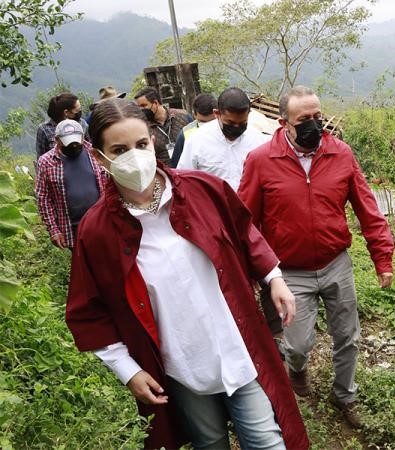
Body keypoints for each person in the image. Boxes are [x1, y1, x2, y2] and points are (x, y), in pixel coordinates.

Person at [65, 98, 309, 450]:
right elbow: (89, 310)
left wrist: (274, 278)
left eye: (140, 144)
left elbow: (246, 234)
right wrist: (127, 369)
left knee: (267, 441)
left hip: (236, 348)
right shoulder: (98, 231)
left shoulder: (201, 190)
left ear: (153, 140)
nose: (133, 156)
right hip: (181, 365)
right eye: (118, 150)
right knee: (209, 443)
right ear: (99, 158)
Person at [238, 85, 395, 429]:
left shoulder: (341, 154)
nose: (313, 124)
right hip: (289, 272)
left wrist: (382, 258)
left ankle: (345, 396)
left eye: (317, 116)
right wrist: (249, 272)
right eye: (303, 119)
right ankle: (298, 370)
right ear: (283, 123)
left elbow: (368, 209)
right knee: (296, 345)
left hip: (335, 263)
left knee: (347, 337)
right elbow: (245, 222)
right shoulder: (261, 161)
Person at [177, 87, 270, 192]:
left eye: (242, 123)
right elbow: (183, 181)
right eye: (230, 123)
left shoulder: (259, 140)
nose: (236, 127)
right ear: (217, 114)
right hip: (212, 206)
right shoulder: (197, 140)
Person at [35, 119, 106, 250]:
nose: (73, 146)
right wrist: (54, 229)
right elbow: (43, 198)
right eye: (68, 142)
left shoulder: (95, 153)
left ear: (82, 136)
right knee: (83, 265)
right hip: (72, 227)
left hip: (102, 222)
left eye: (76, 141)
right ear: (57, 140)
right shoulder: (46, 162)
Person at [134, 87, 191, 165]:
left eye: (143, 105)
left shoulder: (183, 116)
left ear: (156, 103)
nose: (141, 109)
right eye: (139, 107)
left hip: (189, 169)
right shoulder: (142, 127)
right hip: (166, 173)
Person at [35, 92, 90, 159]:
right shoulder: (44, 129)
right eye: (77, 110)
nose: (80, 112)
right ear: (66, 112)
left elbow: (90, 149)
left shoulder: (82, 124)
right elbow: (41, 156)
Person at [170, 93, 217, 168]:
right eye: (202, 122)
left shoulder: (228, 130)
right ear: (194, 115)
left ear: (217, 113)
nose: (207, 127)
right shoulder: (185, 134)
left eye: (211, 122)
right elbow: (176, 167)